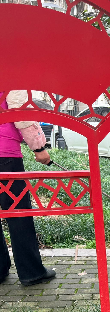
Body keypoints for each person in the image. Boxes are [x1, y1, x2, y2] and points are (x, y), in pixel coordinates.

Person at [1, 90, 56, 286]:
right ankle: (30, 271)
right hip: (5, 154)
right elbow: (21, 112)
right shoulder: (11, 75)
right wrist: (39, 147)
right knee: (19, 213)